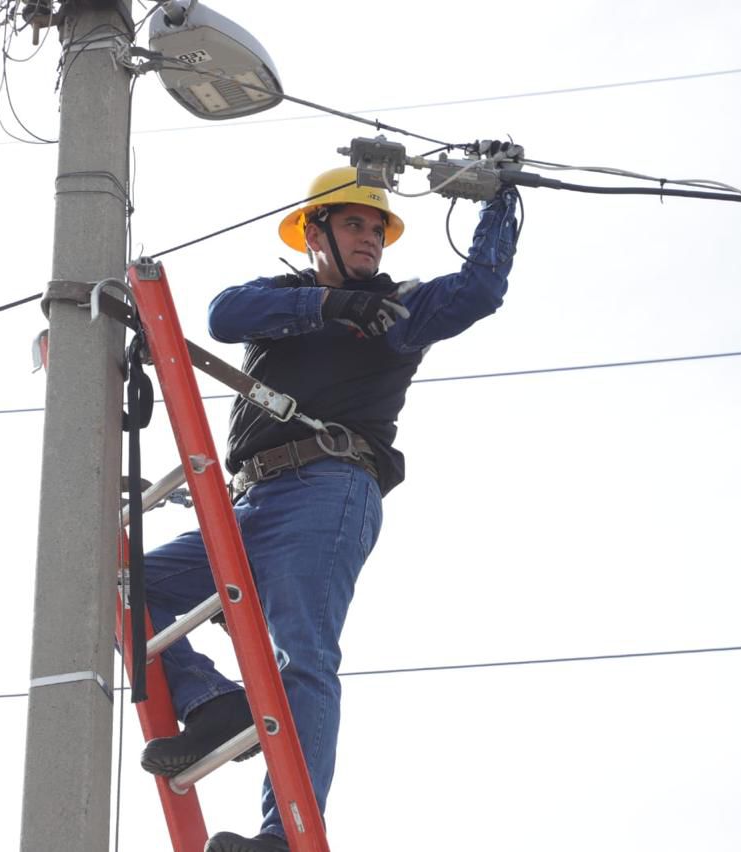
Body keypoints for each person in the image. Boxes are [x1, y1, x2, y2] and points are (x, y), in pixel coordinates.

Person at [139, 164, 520, 852]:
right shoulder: (281, 302)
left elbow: (480, 290)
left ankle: (286, 837)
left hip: (327, 488)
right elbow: (224, 315)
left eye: (377, 227)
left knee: (303, 656)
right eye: (353, 224)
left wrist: (501, 202)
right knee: (127, 585)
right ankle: (208, 700)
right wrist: (325, 306)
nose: (371, 238)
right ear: (315, 234)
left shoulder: (397, 312)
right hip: (249, 505)